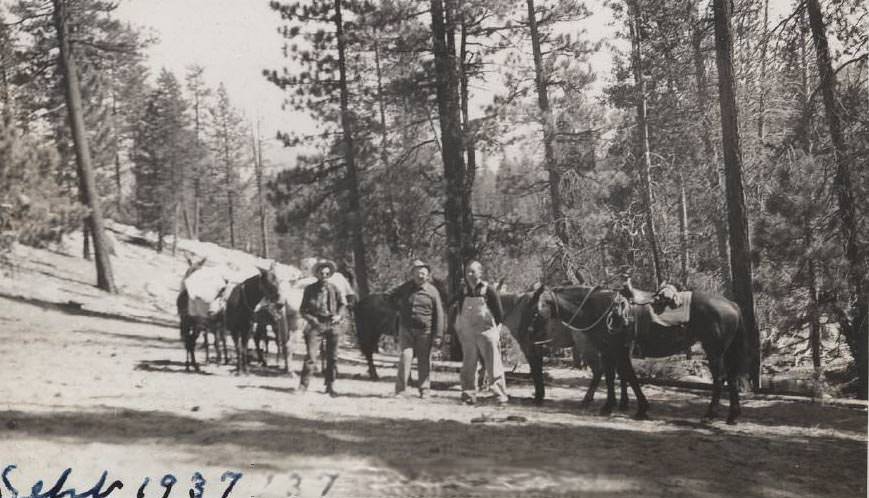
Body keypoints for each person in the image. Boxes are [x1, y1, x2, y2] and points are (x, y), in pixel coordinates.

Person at [387, 260, 445, 399]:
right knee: (405, 357)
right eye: (417, 273)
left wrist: (438, 335)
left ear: (428, 275)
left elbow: (439, 314)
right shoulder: (405, 288)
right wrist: (398, 308)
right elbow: (390, 296)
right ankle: (400, 390)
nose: (420, 276)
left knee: (424, 360)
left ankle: (424, 390)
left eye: (423, 273)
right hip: (406, 329)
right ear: (412, 274)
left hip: (425, 332)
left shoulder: (432, 291)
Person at [454, 260, 509, 405]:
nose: (470, 275)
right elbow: (459, 308)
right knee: (468, 365)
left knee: (493, 364)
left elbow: (499, 313)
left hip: (486, 332)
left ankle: (499, 395)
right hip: (468, 333)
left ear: (480, 273)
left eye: (473, 271)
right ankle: (468, 395)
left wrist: (494, 331)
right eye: (467, 272)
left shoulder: (488, 290)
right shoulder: (463, 290)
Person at [298, 260, 347, 397]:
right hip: (316, 324)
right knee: (311, 357)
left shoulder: (334, 288)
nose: (324, 275)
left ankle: (330, 385)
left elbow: (343, 305)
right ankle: (303, 385)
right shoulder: (310, 290)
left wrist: (339, 316)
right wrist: (313, 321)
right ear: (317, 274)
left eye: (327, 273)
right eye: (322, 273)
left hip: (332, 324)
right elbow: (303, 310)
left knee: (333, 357)